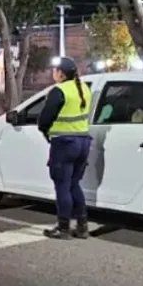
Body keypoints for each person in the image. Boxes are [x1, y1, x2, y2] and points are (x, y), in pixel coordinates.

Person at [37, 56, 94, 240]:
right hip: (83, 141)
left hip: (65, 143)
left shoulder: (59, 91)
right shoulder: (85, 89)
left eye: (55, 70)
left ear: (60, 73)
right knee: (74, 184)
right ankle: (82, 226)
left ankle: (63, 228)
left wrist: (45, 130)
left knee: (62, 186)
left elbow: (45, 119)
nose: (53, 73)